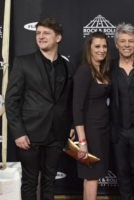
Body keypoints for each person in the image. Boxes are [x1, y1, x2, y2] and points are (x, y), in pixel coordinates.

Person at [5, 18, 75, 200]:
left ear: (58, 38)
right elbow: (11, 101)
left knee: (50, 180)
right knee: (29, 181)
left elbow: (67, 101)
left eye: (46, 33)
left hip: (57, 134)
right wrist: (18, 132)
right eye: (38, 33)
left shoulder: (66, 66)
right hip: (29, 134)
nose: (41, 37)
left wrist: (72, 125)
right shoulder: (23, 62)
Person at [73, 31, 111, 200]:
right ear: (89, 48)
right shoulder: (84, 71)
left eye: (104, 46)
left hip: (102, 130)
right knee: (91, 176)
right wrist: (82, 142)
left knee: (94, 175)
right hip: (89, 132)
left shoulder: (102, 70)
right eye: (97, 46)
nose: (101, 50)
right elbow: (77, 108)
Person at [110, 23, 134, 200]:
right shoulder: (108, 68)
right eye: (122, 41)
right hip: (118, 132)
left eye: (130, 41)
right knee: (122, 173)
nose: (126, 45)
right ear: (116, 44)